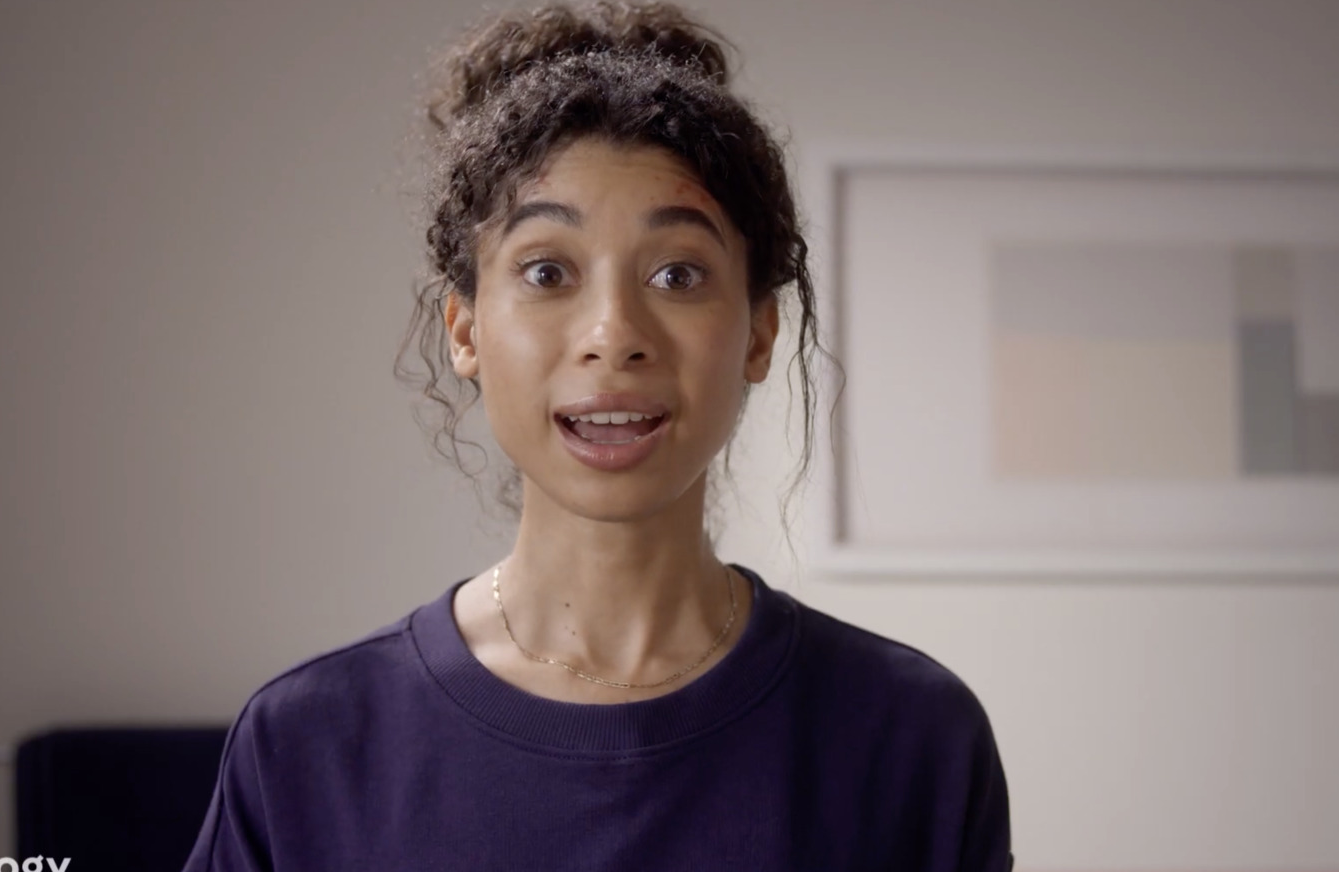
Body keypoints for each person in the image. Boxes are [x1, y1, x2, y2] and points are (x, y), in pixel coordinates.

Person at [181, 2, 1013, 869]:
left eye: (678, 274)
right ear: (464, 331)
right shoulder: (306, 744)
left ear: (759, 335)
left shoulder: (911, 737)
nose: (614, 332)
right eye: (548, 272)